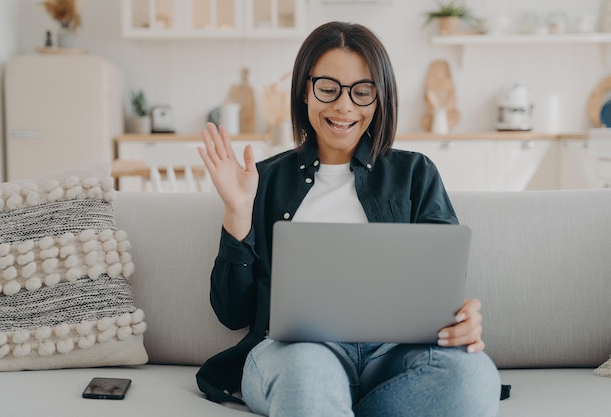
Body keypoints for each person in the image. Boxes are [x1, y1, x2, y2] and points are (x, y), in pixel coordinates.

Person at [196, 21, 501, 417]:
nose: (344, 106)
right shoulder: (262, 181)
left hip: (394, 356)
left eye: (362, 92)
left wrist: (463, 318)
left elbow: (441, 289)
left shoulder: (415, 174)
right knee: (309, 378)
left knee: (473, 377)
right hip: (297, 353)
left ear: (380, 99)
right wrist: (237, 211)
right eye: (328, 88)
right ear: (305, 90)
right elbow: (231, 313)